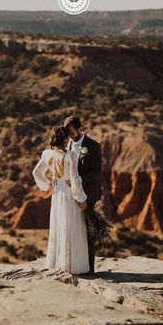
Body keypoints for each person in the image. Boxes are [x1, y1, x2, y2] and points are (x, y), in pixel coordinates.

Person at [32, 126, 90, 275]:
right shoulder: (70, 155)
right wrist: (81, 198)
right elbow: (75, 179)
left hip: (57, 193)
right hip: (69, 193)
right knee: (72, 226)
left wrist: (48, 183)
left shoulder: (46, 154)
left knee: (59, 225)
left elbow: (36, 172)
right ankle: (72, 266)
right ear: (64, 139)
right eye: (67, 137)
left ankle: (58, 263)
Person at [64, 116, 102, 275]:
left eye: (72, 132)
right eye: (68, 133)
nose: (70, 136)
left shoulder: (93, 146)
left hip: (88, 194)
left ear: (80, 129)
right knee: (73, 229)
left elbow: (96, 173)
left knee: (88, 231)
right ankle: (75, 266)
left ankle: (90, 269)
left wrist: (77, 179)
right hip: (71, 194)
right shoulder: (66, 146)